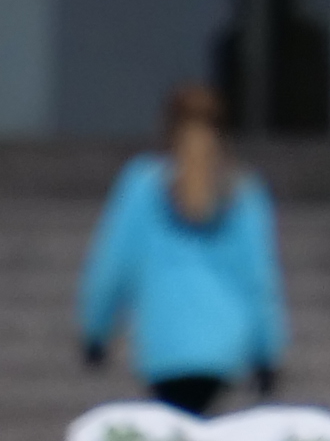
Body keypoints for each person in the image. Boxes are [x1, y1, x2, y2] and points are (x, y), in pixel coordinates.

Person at [76, 85, 289, 416]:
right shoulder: (244, 192)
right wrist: (266, 353)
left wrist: (96, 330)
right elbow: (259, 279)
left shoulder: (142, 185)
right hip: (222, 349)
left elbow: (113, 265)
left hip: (163, 348)